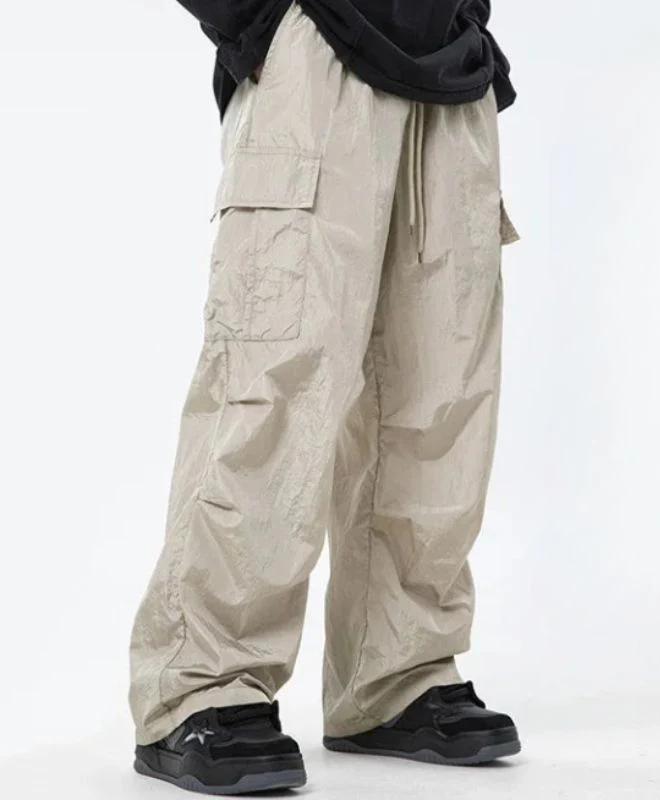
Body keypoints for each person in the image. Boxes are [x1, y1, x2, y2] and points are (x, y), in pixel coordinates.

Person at [129, 0, 521, 793]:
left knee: (440, 395)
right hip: (318, 50)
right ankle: (202, 684)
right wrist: (262, 21)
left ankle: (397, 674)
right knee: (275, 384)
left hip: (452, 66)